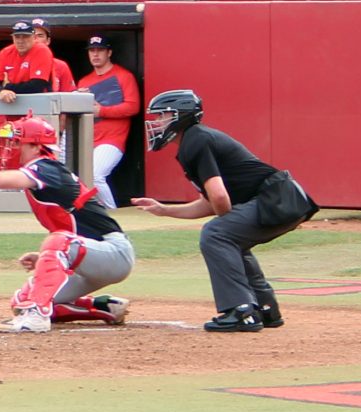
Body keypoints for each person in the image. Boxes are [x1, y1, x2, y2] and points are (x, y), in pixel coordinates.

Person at [0, 115, 135, 332]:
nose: (11, 147)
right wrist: (49, 259)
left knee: (56, 242)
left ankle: (37, 318)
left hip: (114, 253)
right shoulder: (44, 170)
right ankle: (103, 307)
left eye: (16, 142)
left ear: (35, 146)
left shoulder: (46, 167)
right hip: (93, 257)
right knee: (22, 301)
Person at [135, 89, 318, 332]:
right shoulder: (196, 138)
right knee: (228, 236)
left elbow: (219, 197)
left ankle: (240, 310)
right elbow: (210, 202)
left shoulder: (195, 140)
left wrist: (223, 223)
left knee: (217, 234)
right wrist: (165, 210)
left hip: (276, 200)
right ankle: (265, 308)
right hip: (283, 199)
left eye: (163, 116)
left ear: (181, 115)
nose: (157, 123)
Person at [75, 36, 140, 209]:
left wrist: (102, 110)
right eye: (92, 50)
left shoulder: (123, 76)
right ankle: (99, 216)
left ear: (109, 52)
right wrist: (76, 97)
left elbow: (133, 107)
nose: (95, 54)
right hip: (89, 140)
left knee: (95, 175)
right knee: (80, 179)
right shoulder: (84, 81)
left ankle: (112, 214)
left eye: (100, 50)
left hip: (112, 140)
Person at [0, 19, 57, 103]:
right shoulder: (6, 52)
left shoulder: (42, 50)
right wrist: (0, 91)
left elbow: (37, 86)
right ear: (13, 38)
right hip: (12, 107)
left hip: (40, 105)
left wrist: (7, 86)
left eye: (25, 36)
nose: (20, 41)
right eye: (17, 37)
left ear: (34, 37)